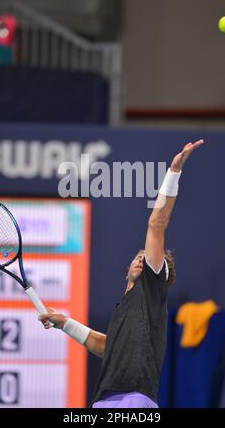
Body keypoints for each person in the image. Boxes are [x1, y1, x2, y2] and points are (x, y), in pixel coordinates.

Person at [39, 140, 204, 408]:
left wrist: (174, 171)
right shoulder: (125, 310)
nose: (142, 259)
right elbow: (105, 346)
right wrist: (64, 323)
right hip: (103, 401)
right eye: (139, 256)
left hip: (136, 400)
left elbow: (156, 224)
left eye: (148, 259)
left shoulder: (150, 290)